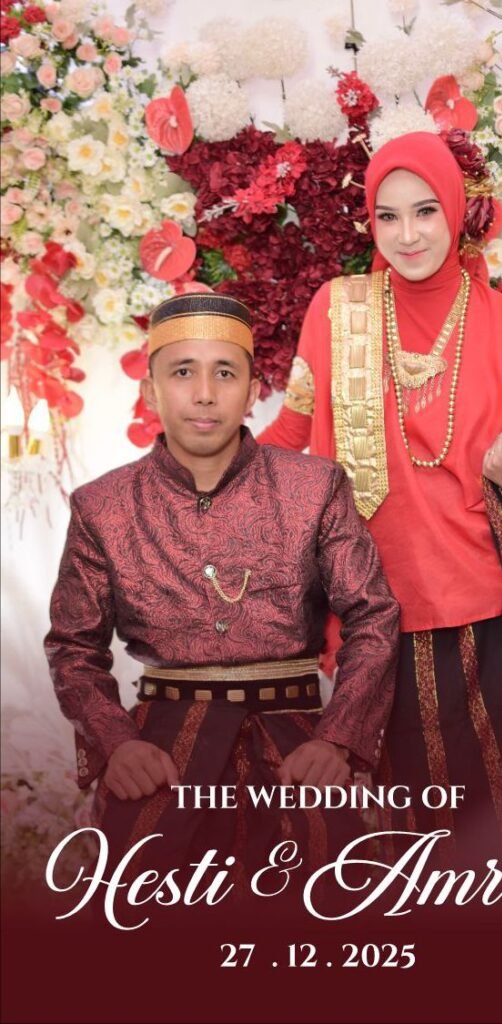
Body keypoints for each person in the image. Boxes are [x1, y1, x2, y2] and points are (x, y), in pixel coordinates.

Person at [259, 132, 502, 857]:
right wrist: (204, 483)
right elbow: (291, 431)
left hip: (482, 606)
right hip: (371, 604)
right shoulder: (338, 311)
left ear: (458, 212)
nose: (407, 235)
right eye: (388, 216)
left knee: (491, 811)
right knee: (393, 813)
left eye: (426, 211)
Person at [44, 291, 400, 889]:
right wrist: (117, 744)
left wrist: (338, 740)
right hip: (160, 749)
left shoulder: (314, 487)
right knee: (140, 911)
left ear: (254, 389)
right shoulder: (102, 506)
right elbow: (73, 647)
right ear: (151, 390)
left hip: (299, 743)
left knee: (326, 903)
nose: (205, 393)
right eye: (183, 372)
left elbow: (373, 616)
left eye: (225, 373)